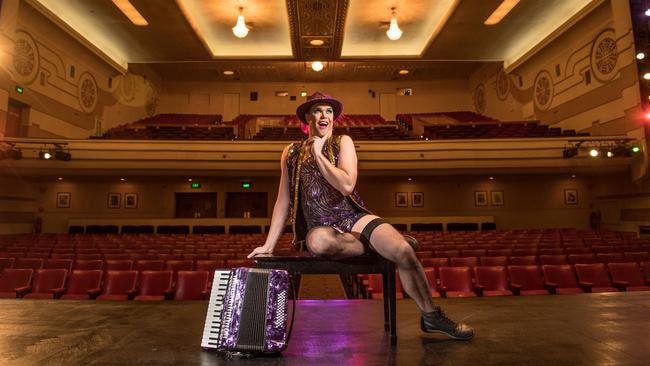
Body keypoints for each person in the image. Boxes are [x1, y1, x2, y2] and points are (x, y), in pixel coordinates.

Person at [248, 92, 473, 340]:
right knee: (322, 243)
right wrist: (268, 245)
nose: (325, 115)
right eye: (318, 110)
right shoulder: (290, 152)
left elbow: (346, 186)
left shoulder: (343, 141)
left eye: (329, 111)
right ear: (307, 117)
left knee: (404, 253)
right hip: (320, 227)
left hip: (352, 216)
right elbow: (283, 201)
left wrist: (320, 156)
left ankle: (431, 317)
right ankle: (384, 246)